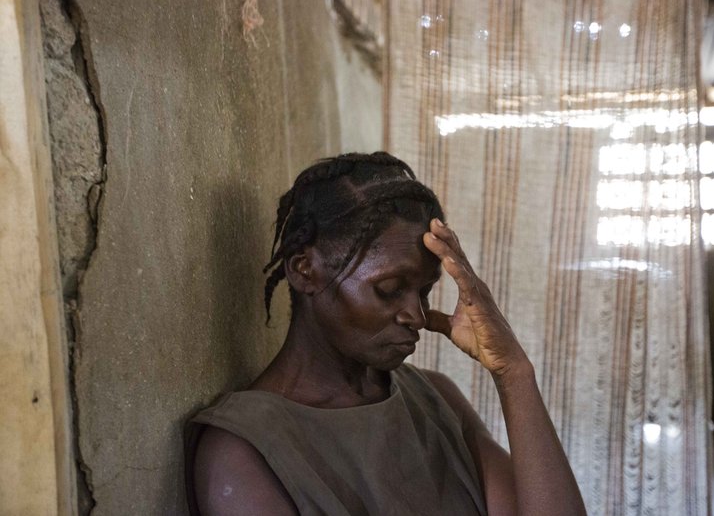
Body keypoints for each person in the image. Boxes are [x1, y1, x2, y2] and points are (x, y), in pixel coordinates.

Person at [185, 152, 586, 515]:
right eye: (390, 289)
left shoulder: (436, 398)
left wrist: (513, 373)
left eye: (424, 292)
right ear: (304, 270)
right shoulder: (243, 450)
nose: (416, 315)